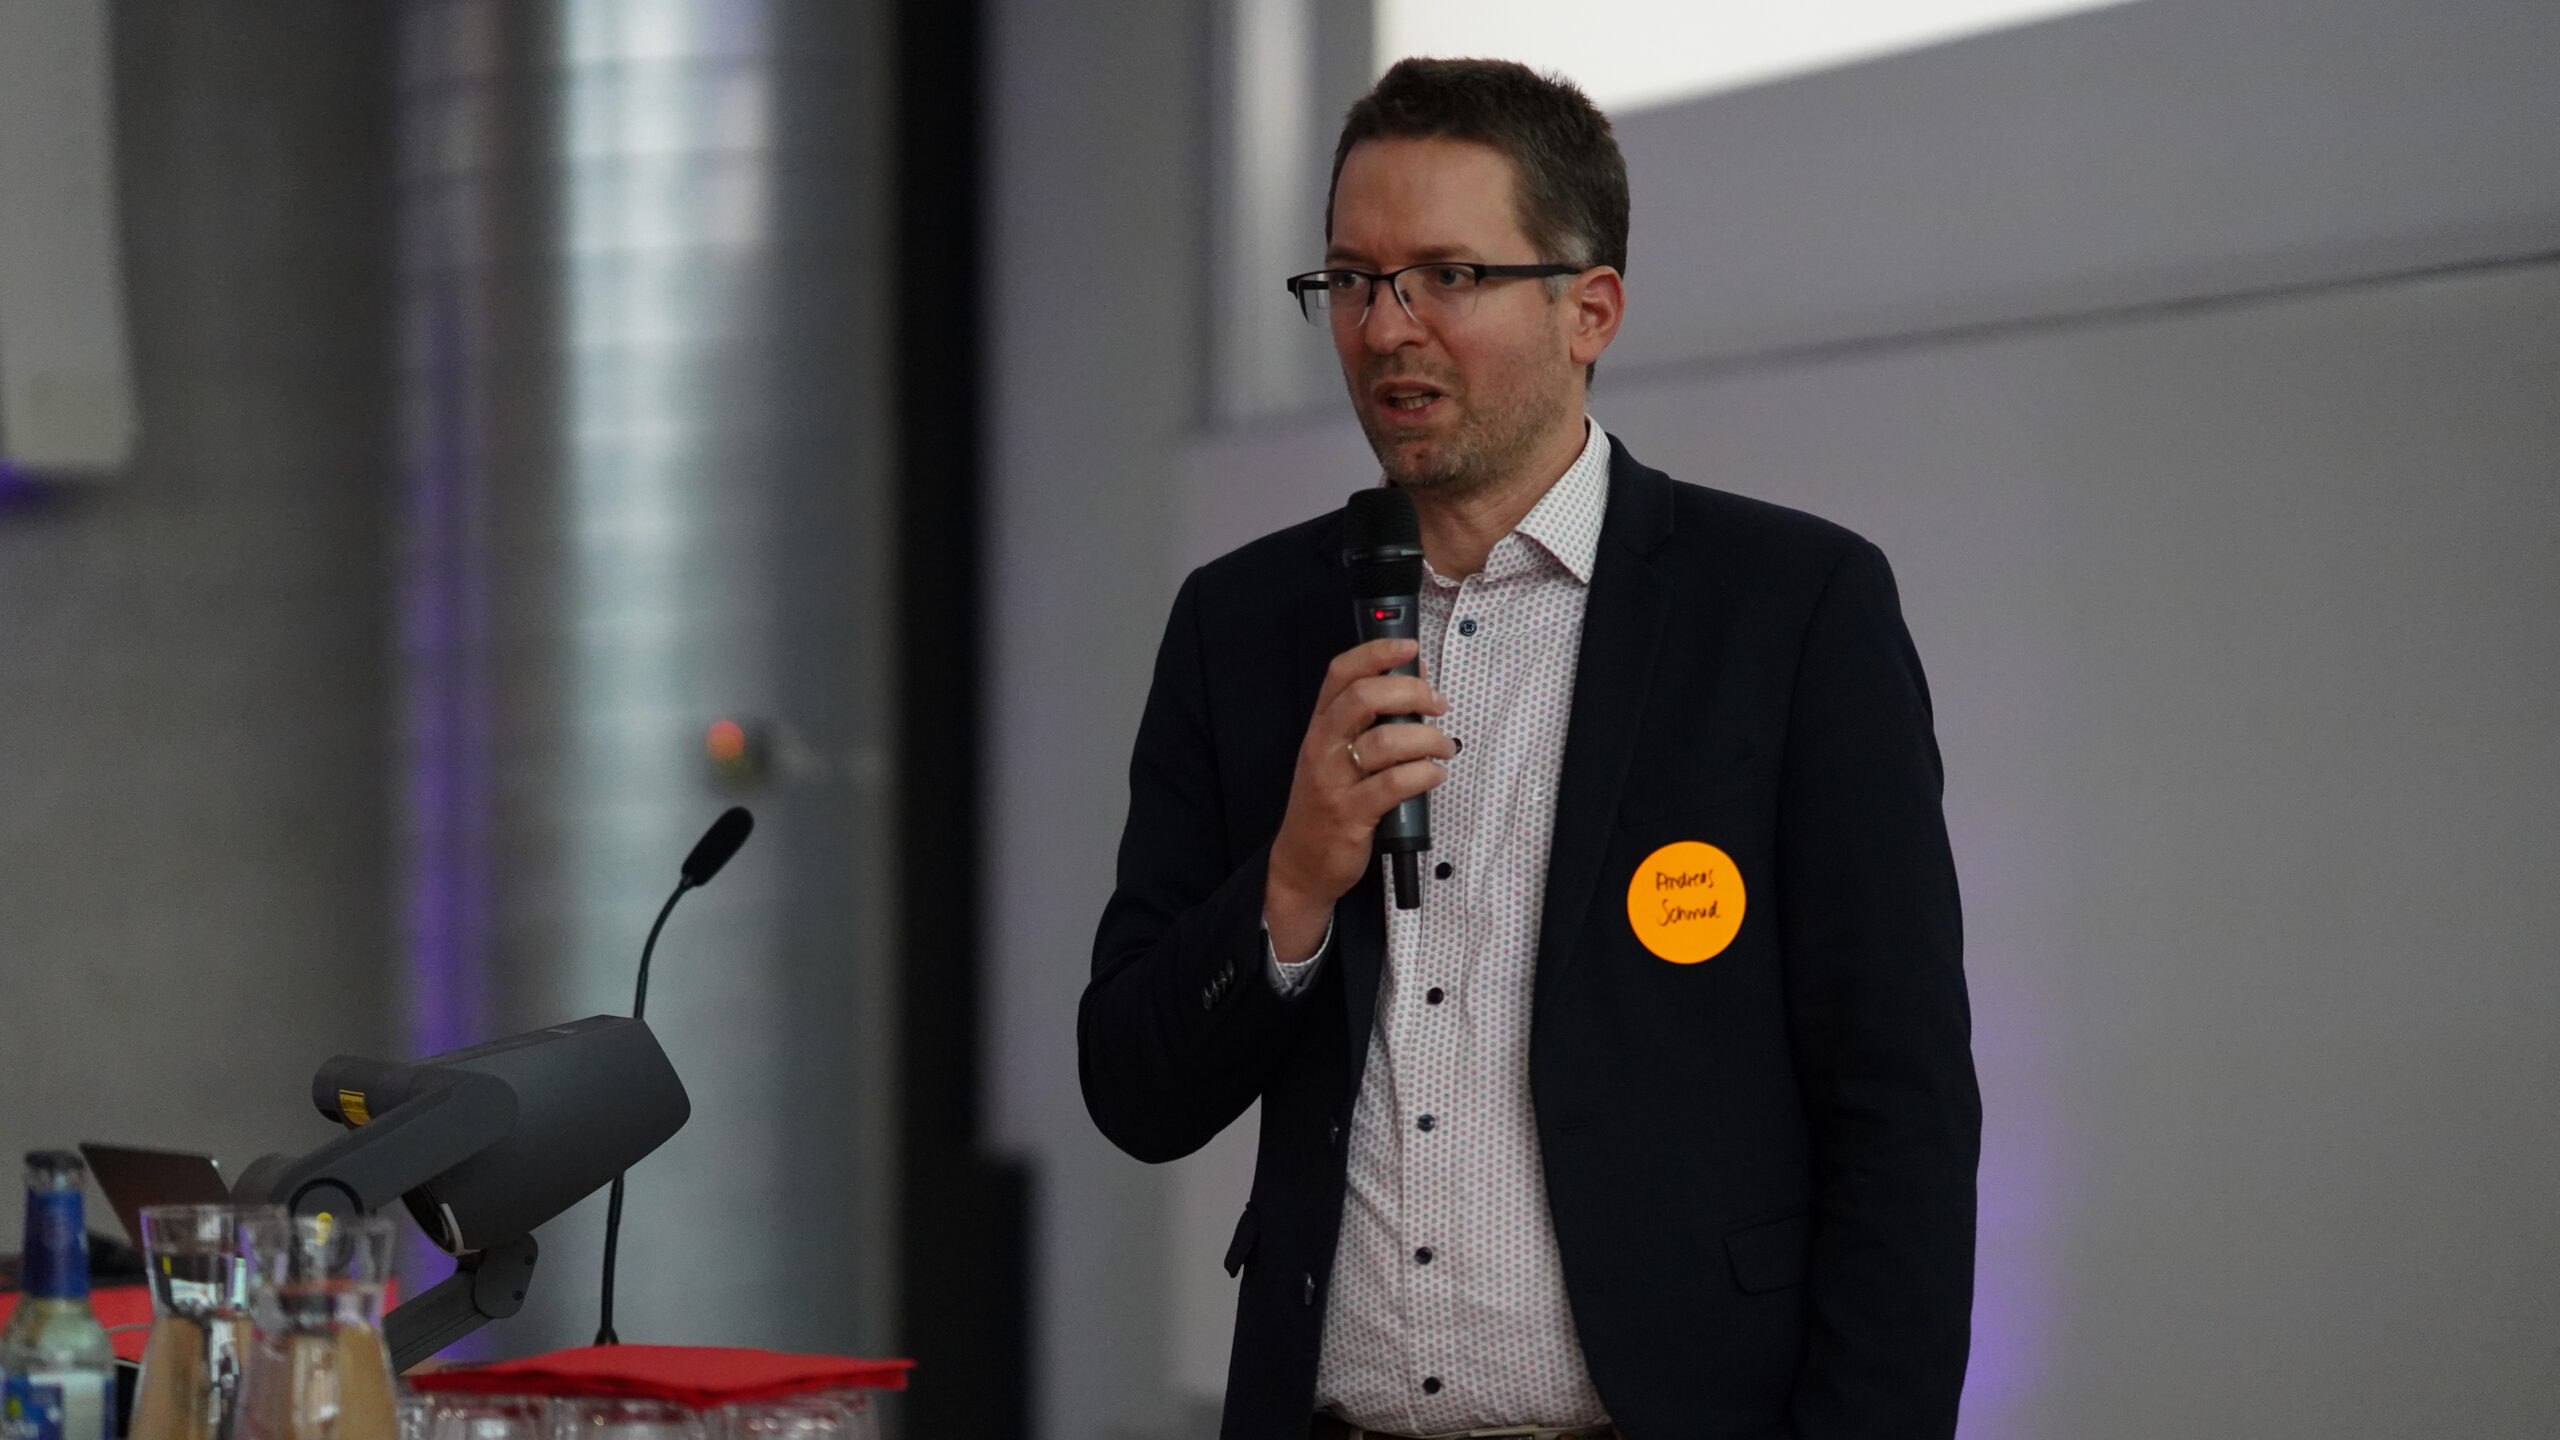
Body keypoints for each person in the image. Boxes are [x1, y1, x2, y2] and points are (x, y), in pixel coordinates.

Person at [1080, 58, 1978, 1440]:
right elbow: (1134, 1089)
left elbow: (1898, 1110)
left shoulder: (1790, 611)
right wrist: (1293, 883)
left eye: (1447, 275)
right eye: (1353, 280)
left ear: (1589, 308)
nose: (1388, 331)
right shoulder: (1242, 626)